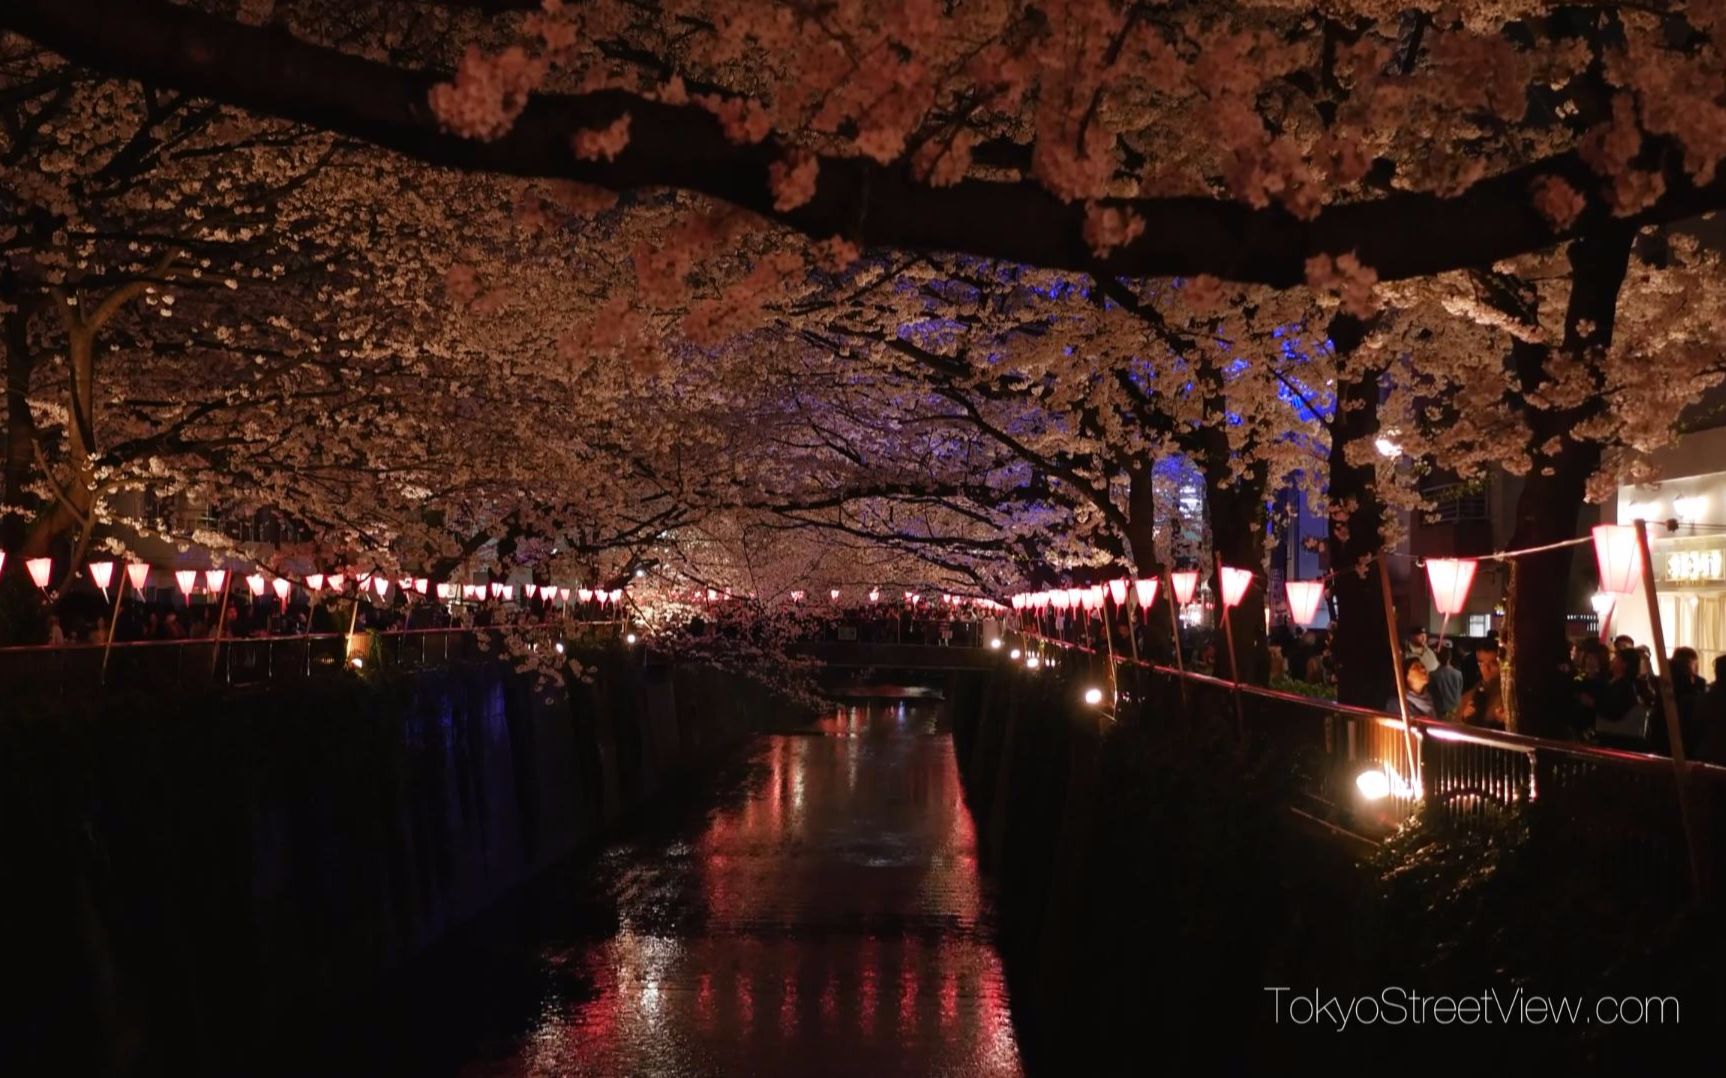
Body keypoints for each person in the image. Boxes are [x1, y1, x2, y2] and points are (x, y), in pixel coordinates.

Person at [1453, 641, 1506, 729]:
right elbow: (1455, 730)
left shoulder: (1510, 697)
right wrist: (1463, 718)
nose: (1486, 669)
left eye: (1493, 664)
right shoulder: (1470, 696)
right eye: (1481, 663)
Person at [1429, 643, 1463, 718]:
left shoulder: (1433, 675)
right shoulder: (1458, 674)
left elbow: (1432, 694)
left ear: (1437, 658)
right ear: (1450, 657)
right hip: (1457, 711)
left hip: (1441, 711)